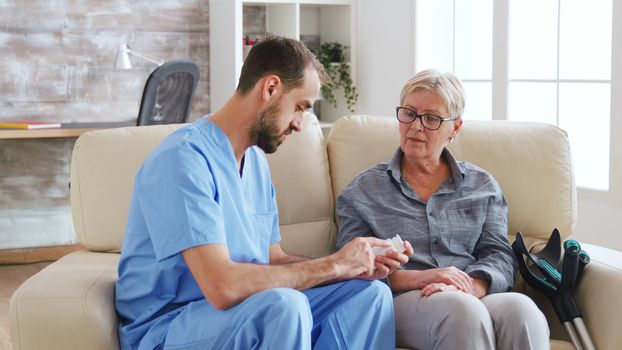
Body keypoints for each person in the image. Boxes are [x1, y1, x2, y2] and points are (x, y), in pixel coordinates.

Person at [115, 35, 412, 350]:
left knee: (369, 294)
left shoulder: (255, 161)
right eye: (300, 107)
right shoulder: (183, 159)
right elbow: (221, 286)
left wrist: (348, 265)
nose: (300, 124)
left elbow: (273, 259)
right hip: (170, 325)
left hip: (245, 310)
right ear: (270, 89)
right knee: (284, 307)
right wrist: (334, 266)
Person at [336, 69, 550, 350]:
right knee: (461, 311)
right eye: (409, 113)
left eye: (432, 118)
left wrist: (472, 285)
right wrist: (423, 277)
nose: (416, 126)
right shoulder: (364, 190)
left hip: (469, 290)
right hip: (402, 298)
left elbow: (498, 254)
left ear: (455, 128)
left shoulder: (482, 186)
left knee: (523, 311)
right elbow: (350, 263)